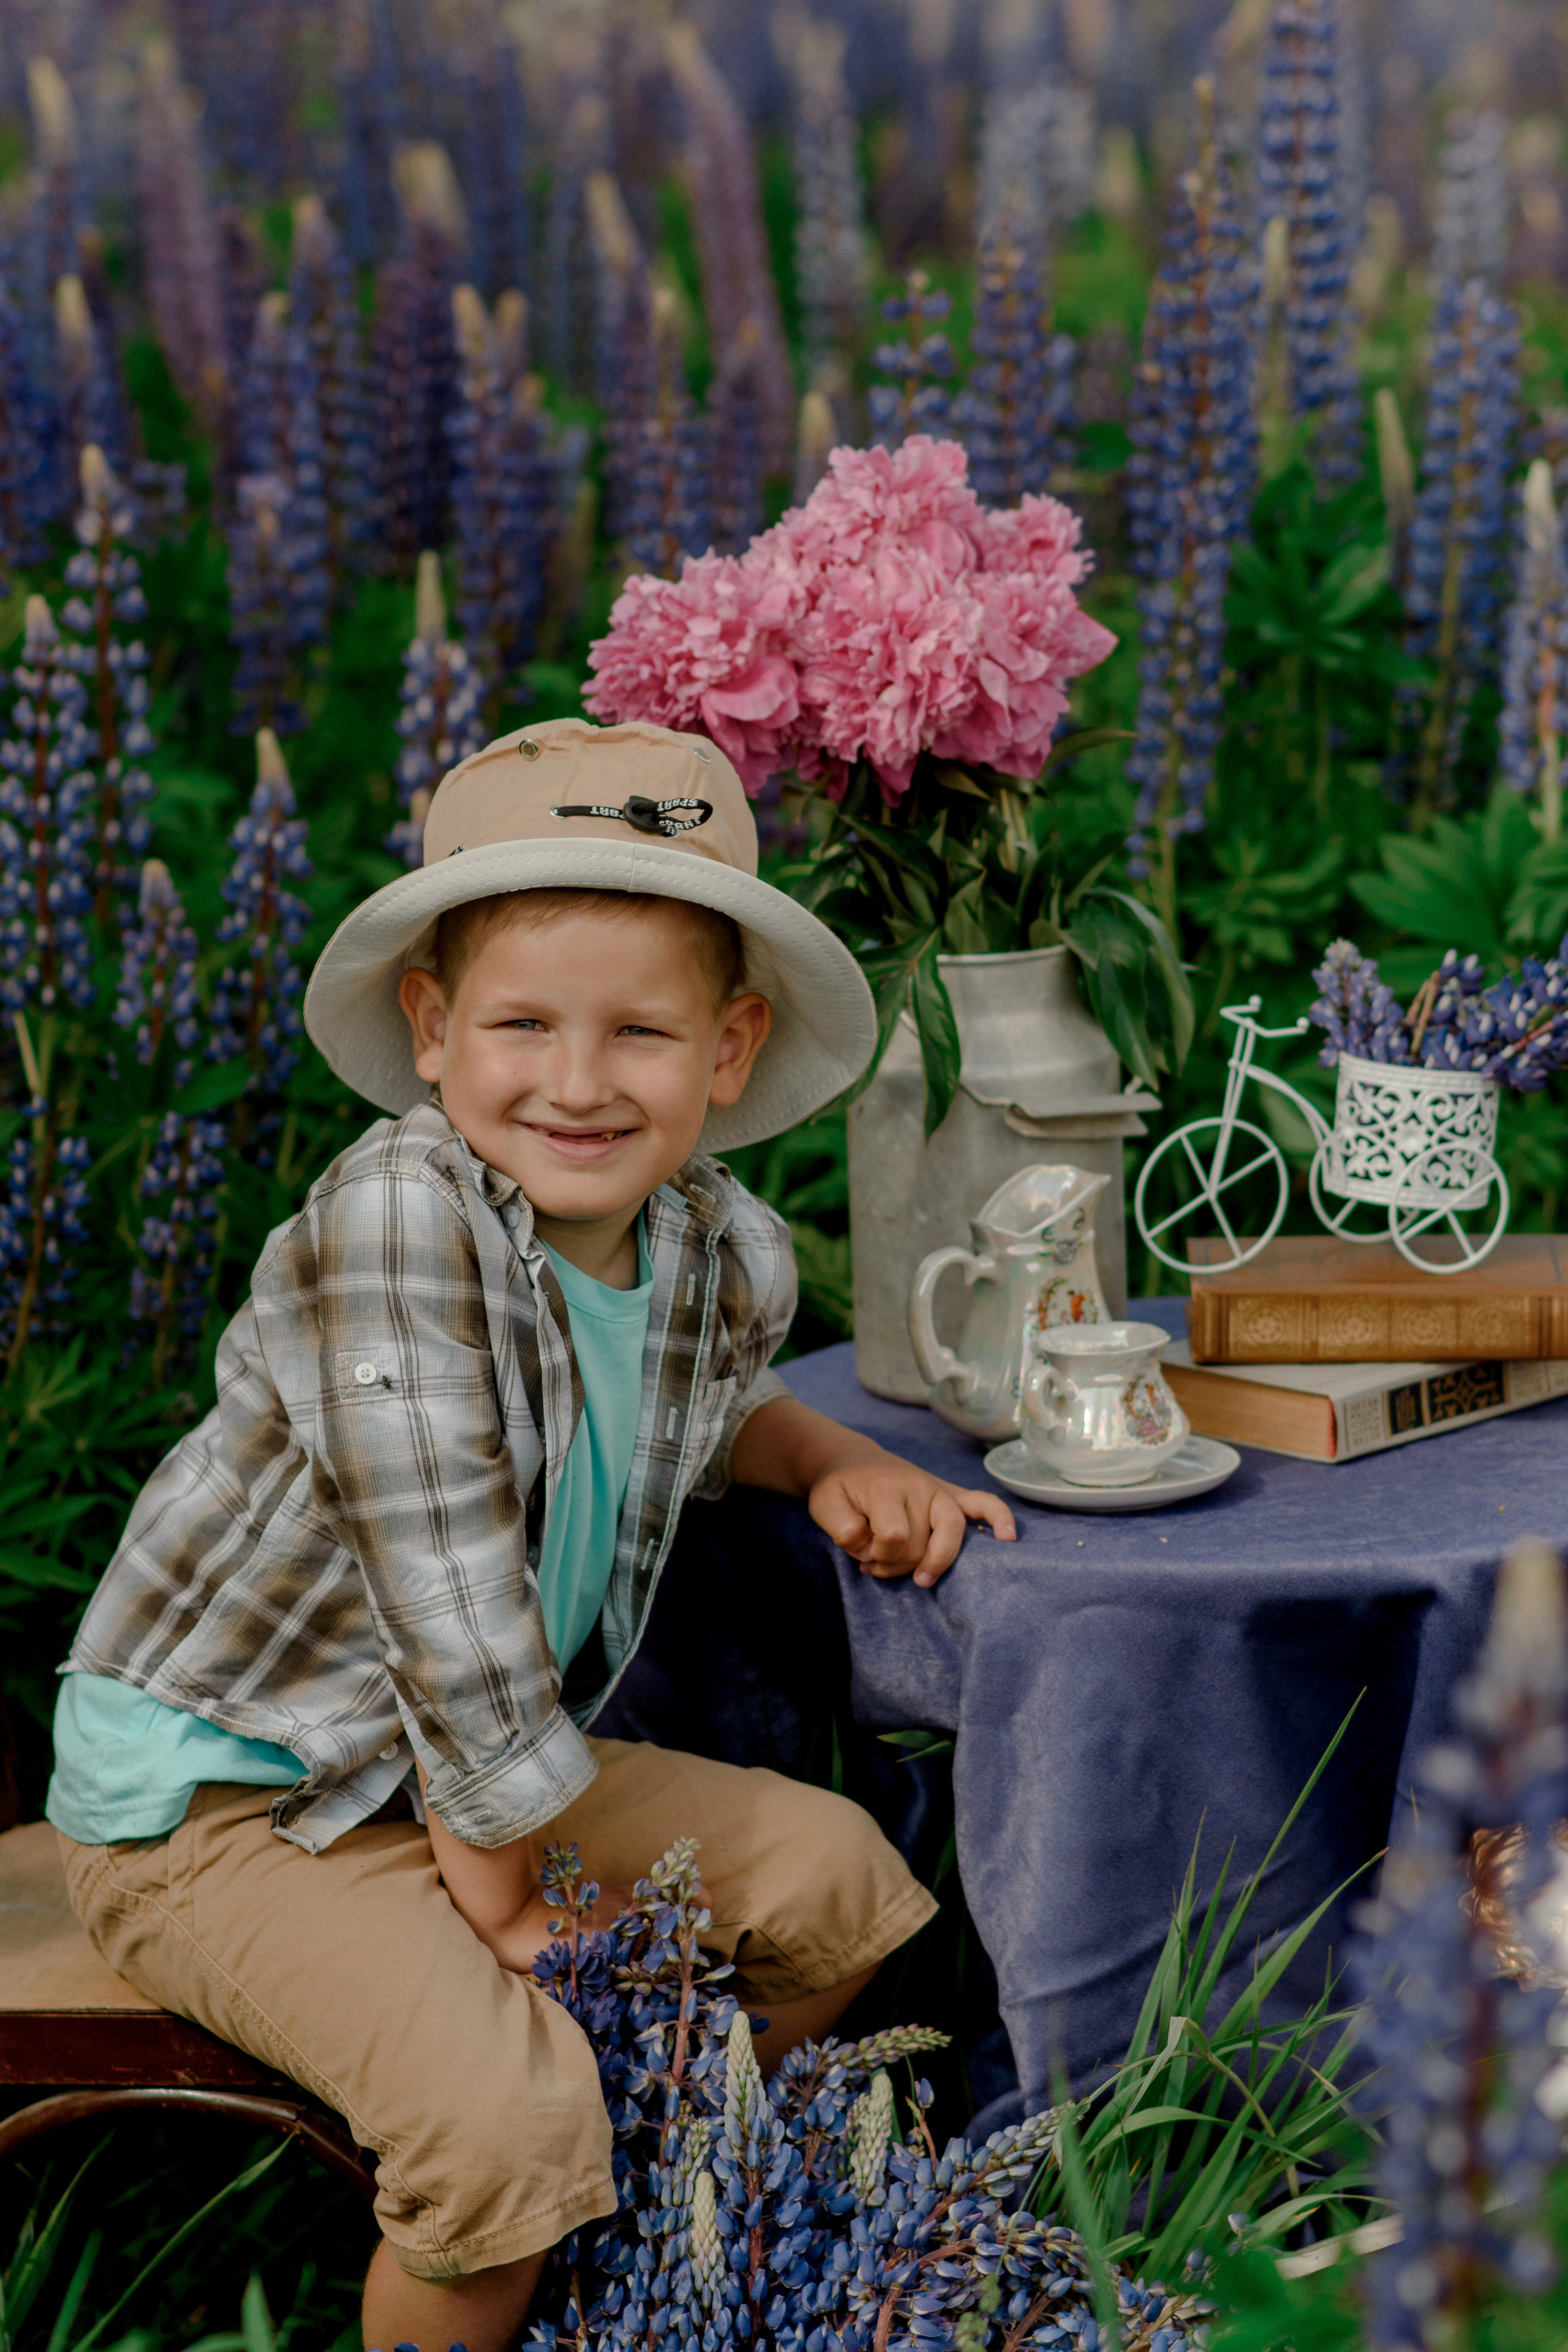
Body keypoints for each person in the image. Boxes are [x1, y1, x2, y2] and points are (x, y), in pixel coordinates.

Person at [48, 718, 1016, 2352]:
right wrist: (500, 1905)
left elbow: (703, 1403)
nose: (577, 1082)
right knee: (505, 2125)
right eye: (522, 1025)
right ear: (434, 1029)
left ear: (730, 1047)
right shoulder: (395, 1227)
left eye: (640, 1031)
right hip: (225, 1802)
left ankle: (651, 2264)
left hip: (454, 1777)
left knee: (839, 1889)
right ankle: (528, 2206)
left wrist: (825, 1456)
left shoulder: (715, 1244)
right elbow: (448, 1597)